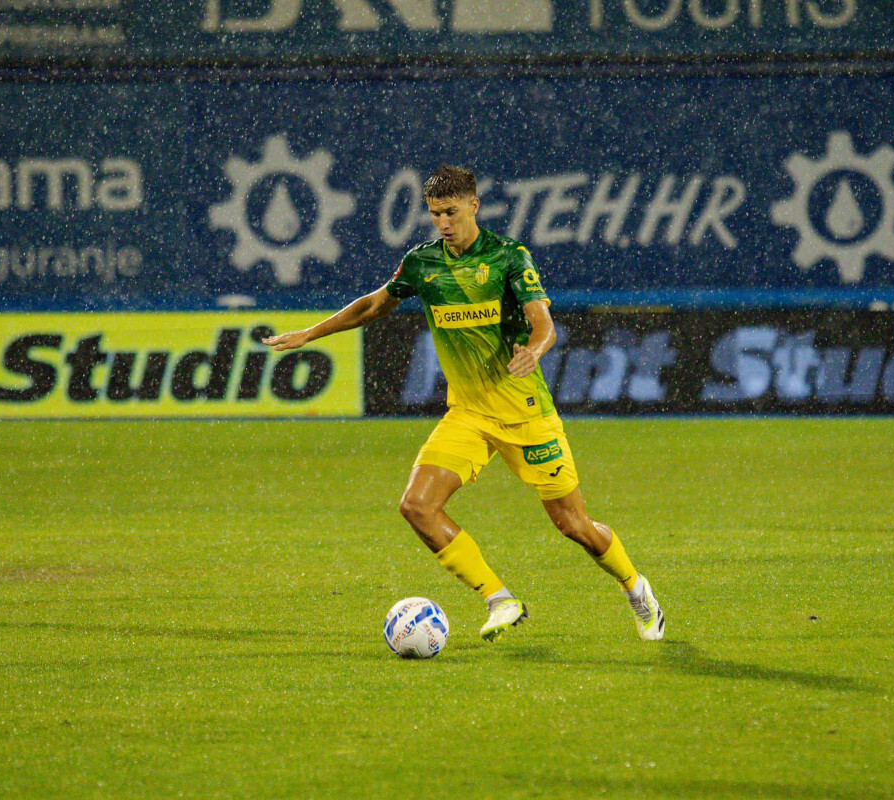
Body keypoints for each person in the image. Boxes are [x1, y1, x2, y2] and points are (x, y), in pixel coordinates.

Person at [263, 165, 664, 642]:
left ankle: (636, 588)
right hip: (469, 414)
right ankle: (500, 599)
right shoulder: (423, 264)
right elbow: (373, 305)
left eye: (451, 211)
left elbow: (543, 324)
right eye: (435, 214)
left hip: (525, 414)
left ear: (474, 206)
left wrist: (533, 351)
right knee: (417, 506)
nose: (444, 223)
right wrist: (311, 332)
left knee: (573, 526)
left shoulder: (508, 258)